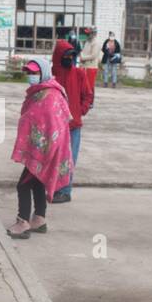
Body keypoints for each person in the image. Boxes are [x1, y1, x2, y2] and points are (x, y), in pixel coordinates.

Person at [6, 57, 74, 239]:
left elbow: (51, 125)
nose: (30, 76)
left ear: (43, 72)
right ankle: (39, 219)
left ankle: (23, 223)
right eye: (28, 72)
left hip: (45, 150)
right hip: (45, 148)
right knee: (38, 182)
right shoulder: (41, 92)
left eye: (34, 72)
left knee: (23, 185)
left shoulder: (50, 95)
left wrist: (44, 150)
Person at [50, 37, 94, 203]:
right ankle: (53, 188)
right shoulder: (51, 75)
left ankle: (65, 191)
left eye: (72, 56)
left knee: (69, 159)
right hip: (54, 126)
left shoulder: (79, 74)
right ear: (58, 56)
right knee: (53, 158)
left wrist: (79, 111)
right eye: (66, 56)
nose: (70, 59)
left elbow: (88, 95)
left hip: (73, 126)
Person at [79, 27, 102, 95]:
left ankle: (90, 102)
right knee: (84, 86)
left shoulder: (96, 43)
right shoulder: (88, 41)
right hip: (84, 66)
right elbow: (84, 52)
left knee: (89, 86)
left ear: (93, 33)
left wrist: (83, 58)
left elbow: (93, 56)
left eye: (88, 33)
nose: (86, 35)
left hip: (91, 67)